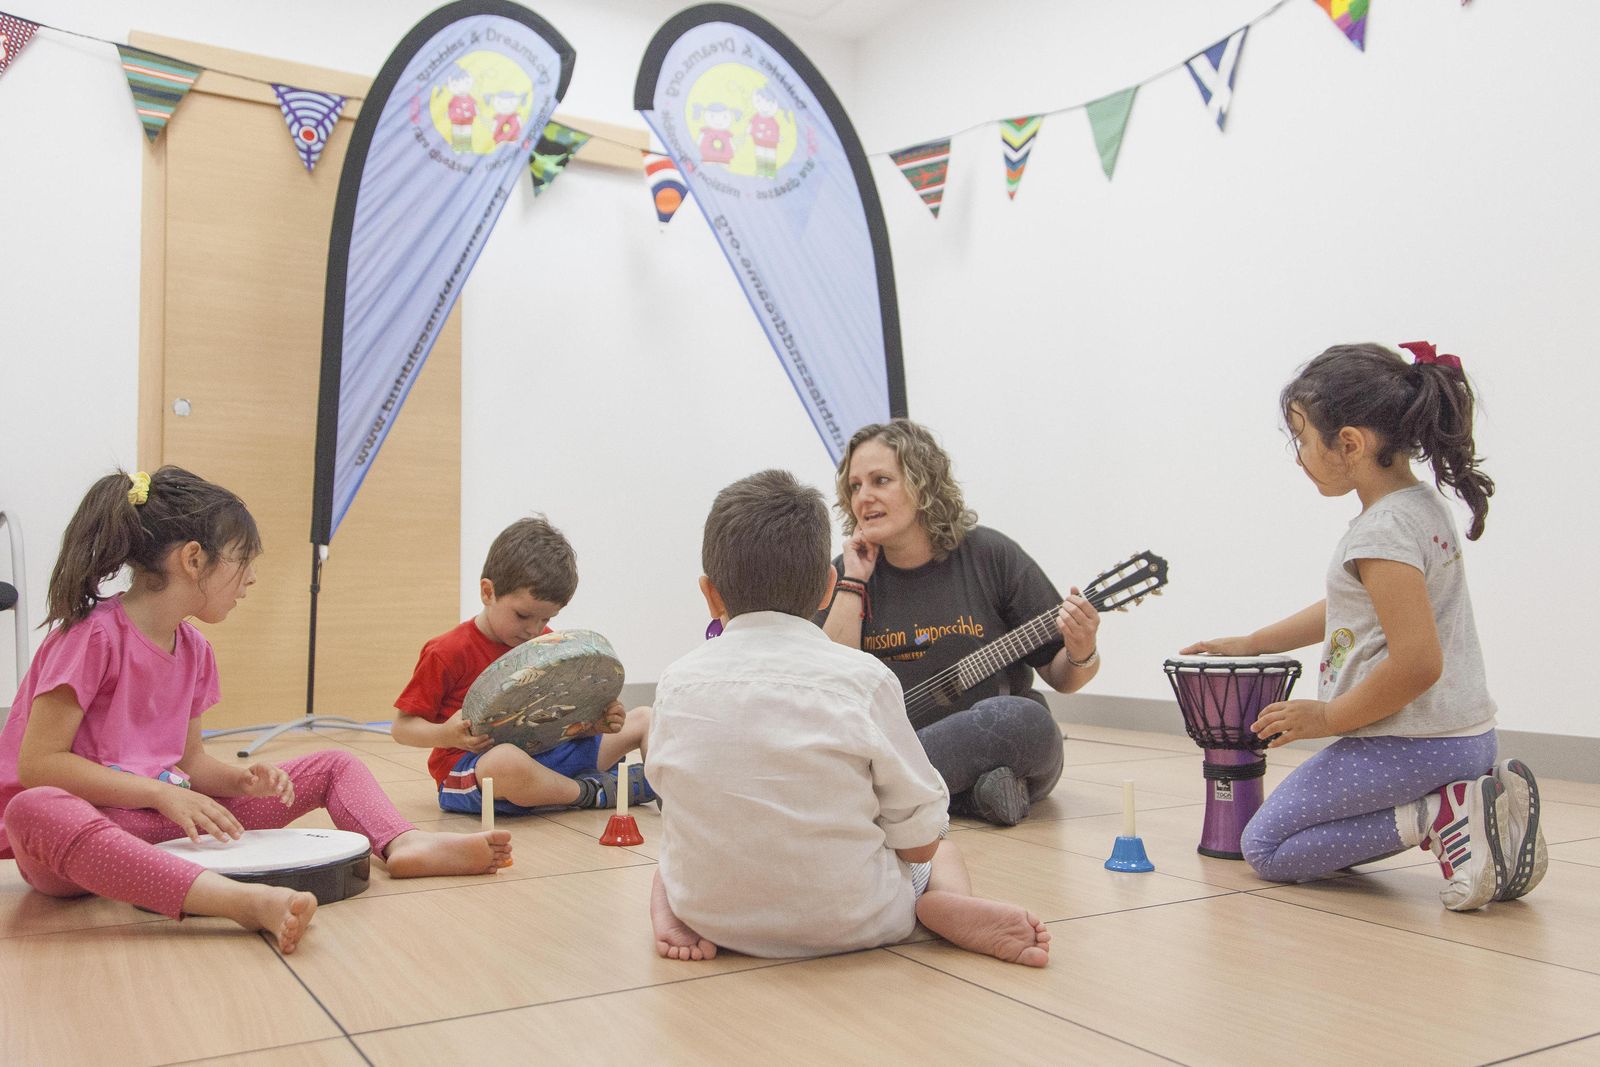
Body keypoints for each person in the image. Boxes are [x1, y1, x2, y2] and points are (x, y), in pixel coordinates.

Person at [0, 468, 513, 954]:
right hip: (84, 837)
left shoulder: (195, 650)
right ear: (193, 559)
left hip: (162, 827)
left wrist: (243, 781)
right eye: (243, 561)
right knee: (33, 807)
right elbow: (40, 765)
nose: (250, 579)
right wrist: (159, 793)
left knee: (333, 764)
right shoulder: (90, 637)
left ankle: (402, 843)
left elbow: (189, 763)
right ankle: (235, 901)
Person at [1183, 342, 1545, 911]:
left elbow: (1418, 664)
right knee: (1297, 834)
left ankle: (1440, 816)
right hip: (1464, 740)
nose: (1299, 456)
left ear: (1349, 443)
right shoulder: (1419, 507)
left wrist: (1327, 717)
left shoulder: (1381, 531)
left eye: (1302, 438)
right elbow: (1351, 607)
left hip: (1412, 747)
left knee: (1266, 847)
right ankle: (1483, 817)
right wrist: (1254, 643)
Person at [647, 470, 1050, 966]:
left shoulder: (676, 683)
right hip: (857, 917)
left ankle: (671, 908)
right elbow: (920, 842)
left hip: (714, 916)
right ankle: (946, 902)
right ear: (827, 589)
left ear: (710, 594)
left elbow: (670, 796)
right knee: (943, 852)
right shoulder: (865, 679)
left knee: (673, 853)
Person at [819, 419, 1099, 826]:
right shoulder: (845, 573)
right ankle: (970, 796)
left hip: (979, 737)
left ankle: (888, 796)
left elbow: (1063, 678)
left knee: (1026, 721)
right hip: (887, 745)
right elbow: (830, 684)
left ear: (923, 484)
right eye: (855, 486)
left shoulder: (991, 555)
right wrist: (854, 581)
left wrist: (1082, 650)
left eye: (881, 481)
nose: (864, 497)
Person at [392, 516, 654, 816]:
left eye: (546, 619)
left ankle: (668, 796)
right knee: (506, 761)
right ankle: (588, 792)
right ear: (487, 592)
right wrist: (445, 735)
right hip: (477, 770)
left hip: (548, 756)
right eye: (522, 615)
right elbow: (402, 728)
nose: (533, 629)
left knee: (644, 718)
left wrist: (594, 724)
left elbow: (558, 716)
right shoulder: (446, 651)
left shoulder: (546, 645)